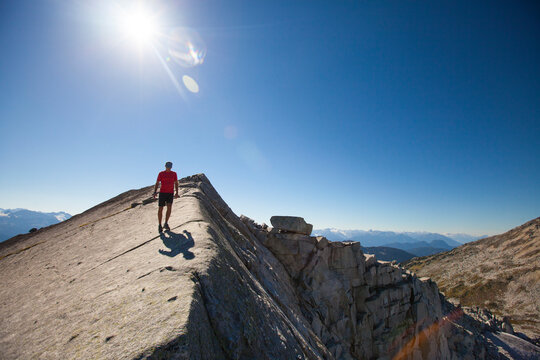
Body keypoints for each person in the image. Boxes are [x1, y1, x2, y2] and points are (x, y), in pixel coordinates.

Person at [153, 161, 179, 232]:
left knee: (169, 207)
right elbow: (157, 183)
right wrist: (155, 192)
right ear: (165, 166)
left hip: (170, 193)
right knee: (160, 208)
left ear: (171, 167)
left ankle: (166, 223)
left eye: (169, 166)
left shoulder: (174, 174)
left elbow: (176, 183)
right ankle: (159, 225)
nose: (168, 167)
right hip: (162, 193)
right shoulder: (161, 173)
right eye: (168, 166)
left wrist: (176, 192)